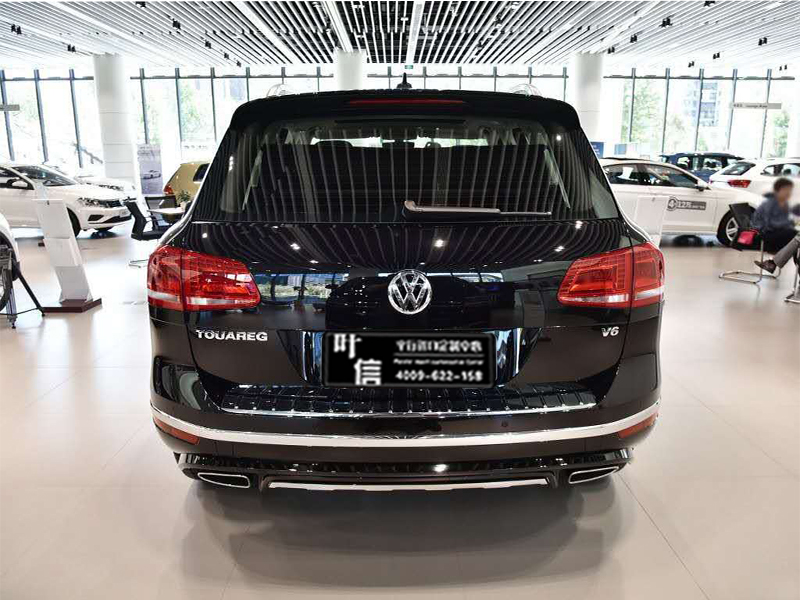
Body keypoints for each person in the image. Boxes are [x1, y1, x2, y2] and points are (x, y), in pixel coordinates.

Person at [751, 178, 799, 273]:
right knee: (795, 236)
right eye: (786, 190)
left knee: (796, 239)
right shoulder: (770, 203)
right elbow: (768, 224)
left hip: (776, 231)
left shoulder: (784, 203)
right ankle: (774, 263)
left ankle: (773, 263)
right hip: (764, 232)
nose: (789, 193)